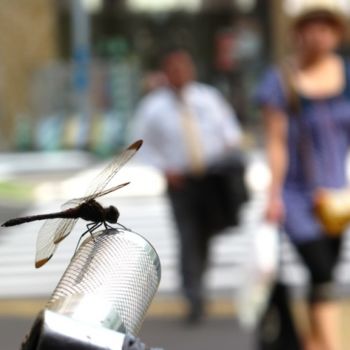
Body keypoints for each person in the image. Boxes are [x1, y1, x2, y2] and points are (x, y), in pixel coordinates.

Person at [255, 6, 349, 350]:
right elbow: (276, 144)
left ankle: (313, 344)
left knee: (321, 277)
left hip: (337, 198)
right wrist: (273, 196)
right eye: (313, 26)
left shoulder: (346, 75)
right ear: (299, 32)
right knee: (322, 274)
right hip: (297, 196)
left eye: (328, 27)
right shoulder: (280, 80)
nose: (320, 34)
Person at [132, 47, 243, 323]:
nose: (180, 74)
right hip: (181, 183)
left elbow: (229, 130)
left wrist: (228, 147)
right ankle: (193, 295)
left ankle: (199, 283)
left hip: (212, 179)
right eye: (174, 69)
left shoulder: (208, 98)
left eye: (184, 67)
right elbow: (139, 144)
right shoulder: (153, 107)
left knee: (207, 235)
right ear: (166, 74)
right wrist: (163, 169)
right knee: (187, 237)